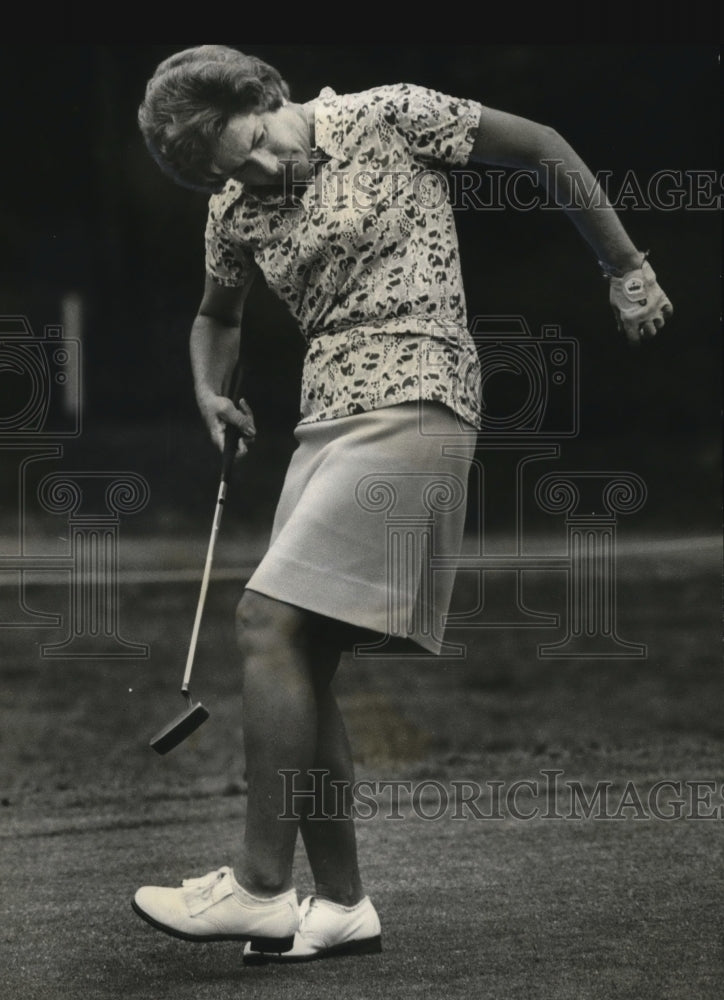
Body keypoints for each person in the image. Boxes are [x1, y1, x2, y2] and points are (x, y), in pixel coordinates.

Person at [132, 45, 672, 964]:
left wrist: (625, 266)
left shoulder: (391, 115)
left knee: (265, 620)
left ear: (269, 96)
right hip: (322, 417)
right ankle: (341, 905)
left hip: (420, 390)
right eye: (234, 168)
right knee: (300, 653)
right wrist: (209, 390)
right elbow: (216, 316)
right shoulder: (236, 210)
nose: (262, 168)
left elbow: (541, 147)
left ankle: (263, 889)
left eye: (257, 140)